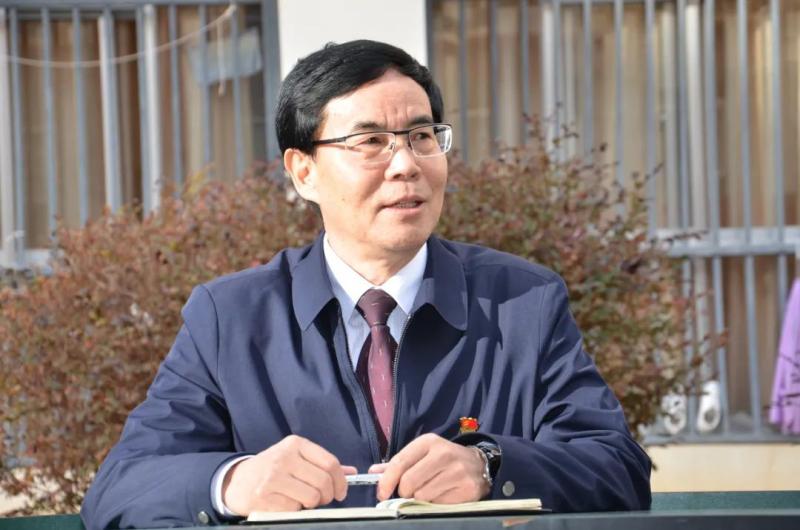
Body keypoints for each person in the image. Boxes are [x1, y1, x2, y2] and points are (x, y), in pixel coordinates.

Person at [81, 39, 651, 530]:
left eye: (421, 135)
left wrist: (490, 466)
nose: (406, 164)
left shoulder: (521, 301)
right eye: (371, 141)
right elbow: (120, 487)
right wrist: (233, 482)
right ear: (303, 171)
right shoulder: (229, 317)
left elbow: (618, 468)